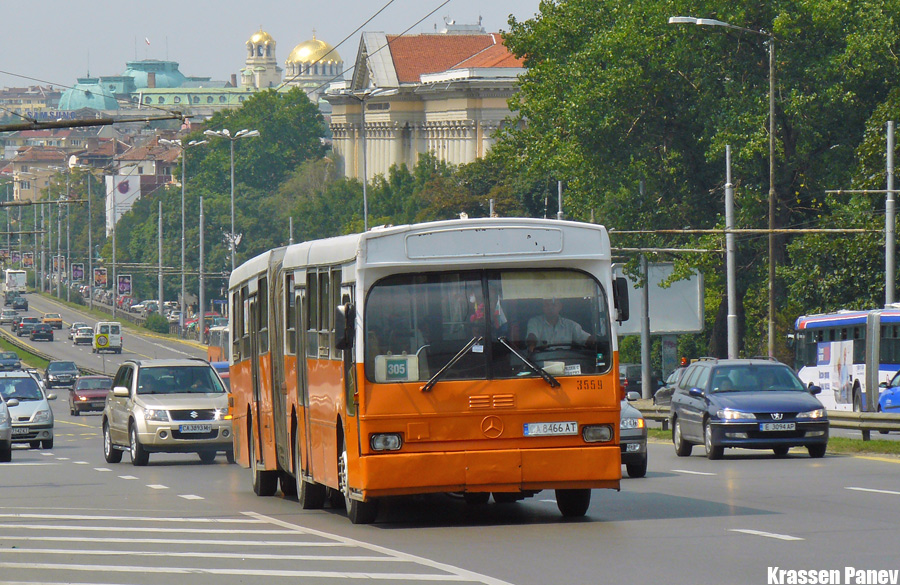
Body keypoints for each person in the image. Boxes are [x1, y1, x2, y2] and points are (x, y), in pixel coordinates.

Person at [526, 297, 593, 352]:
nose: (550, 308)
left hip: (565, 361)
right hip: (540, 363)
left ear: (560, 307)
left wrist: (598, 343)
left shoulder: (571, 325)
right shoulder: (535, 322)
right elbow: (532, 336)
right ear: (543, 308)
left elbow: (586, 339)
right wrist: (531, 345)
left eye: (553, 305)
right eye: (546, 305)